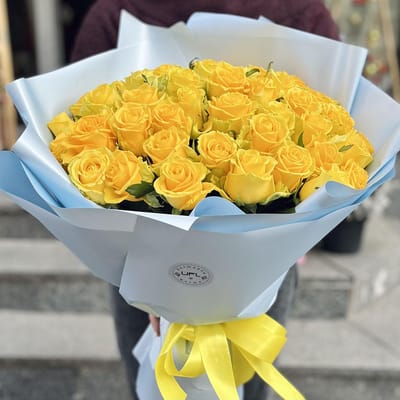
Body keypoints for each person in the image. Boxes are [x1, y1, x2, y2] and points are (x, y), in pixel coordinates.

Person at [70, 1, 339, 399]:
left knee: (244, 381)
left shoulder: (304, 12)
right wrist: (157, 288)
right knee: (158, 380)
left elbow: (333, 137)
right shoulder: (116, 12)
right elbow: (78, 122)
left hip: (265, 272)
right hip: (137, 270)